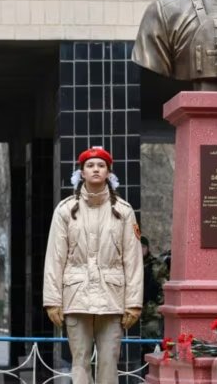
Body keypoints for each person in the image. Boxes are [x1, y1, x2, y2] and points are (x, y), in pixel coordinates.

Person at [43, 146, 143, 384]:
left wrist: (134, 303)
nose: (96, 170)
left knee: (109, 362)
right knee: (80, 361)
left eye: (101, 166)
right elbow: (55, 257)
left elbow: (133, 259)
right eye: (90, 166)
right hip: (76, 297)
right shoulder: (66, 209)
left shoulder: (123, 211)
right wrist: (52, 300)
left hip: (112, 298)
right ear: (82, 172)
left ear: (109, 172)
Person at [139, 236, 170, 352]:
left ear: (147, 248)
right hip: (133, 313)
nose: (140, 250)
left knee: (153, 345)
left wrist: (158, 304)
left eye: (143, 247)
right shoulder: (128, 264)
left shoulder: (156, 265)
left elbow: (164, 287)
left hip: (151, 314)